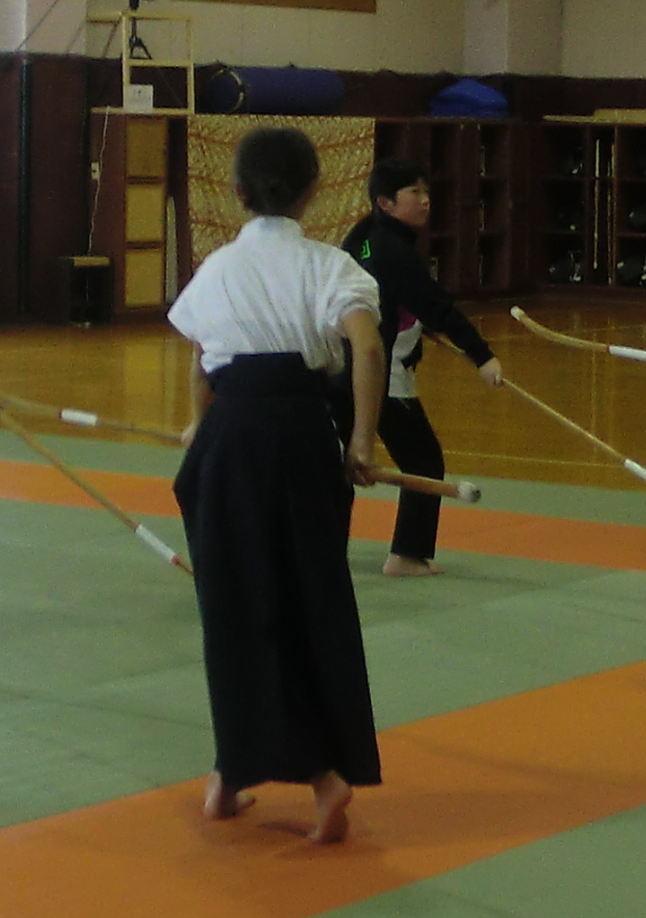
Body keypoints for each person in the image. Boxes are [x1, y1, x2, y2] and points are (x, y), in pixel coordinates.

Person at [169, 124, 387, 844]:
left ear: (235, 191)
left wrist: (199, 425)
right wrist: (360, 438)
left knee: (235, 607)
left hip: (231, 440)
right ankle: (259, 774)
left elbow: (202, 360)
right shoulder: (330, 266)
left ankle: (267, 772)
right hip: (301, 439)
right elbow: (366, 346)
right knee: (307, 604)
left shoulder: (217, 269)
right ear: (314, 190)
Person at [340, 156, 505, 578]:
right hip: (380, 373)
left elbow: (401, 301)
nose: (426, 199)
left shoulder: (363, 239)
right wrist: (482, 356)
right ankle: (408, 555)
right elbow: (436, 306)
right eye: (414, 192)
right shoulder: (392, 250)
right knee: (423, 460)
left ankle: (324, 550)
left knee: (339, 463)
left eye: (426, 191)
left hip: (340, 370)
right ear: (386, 202)